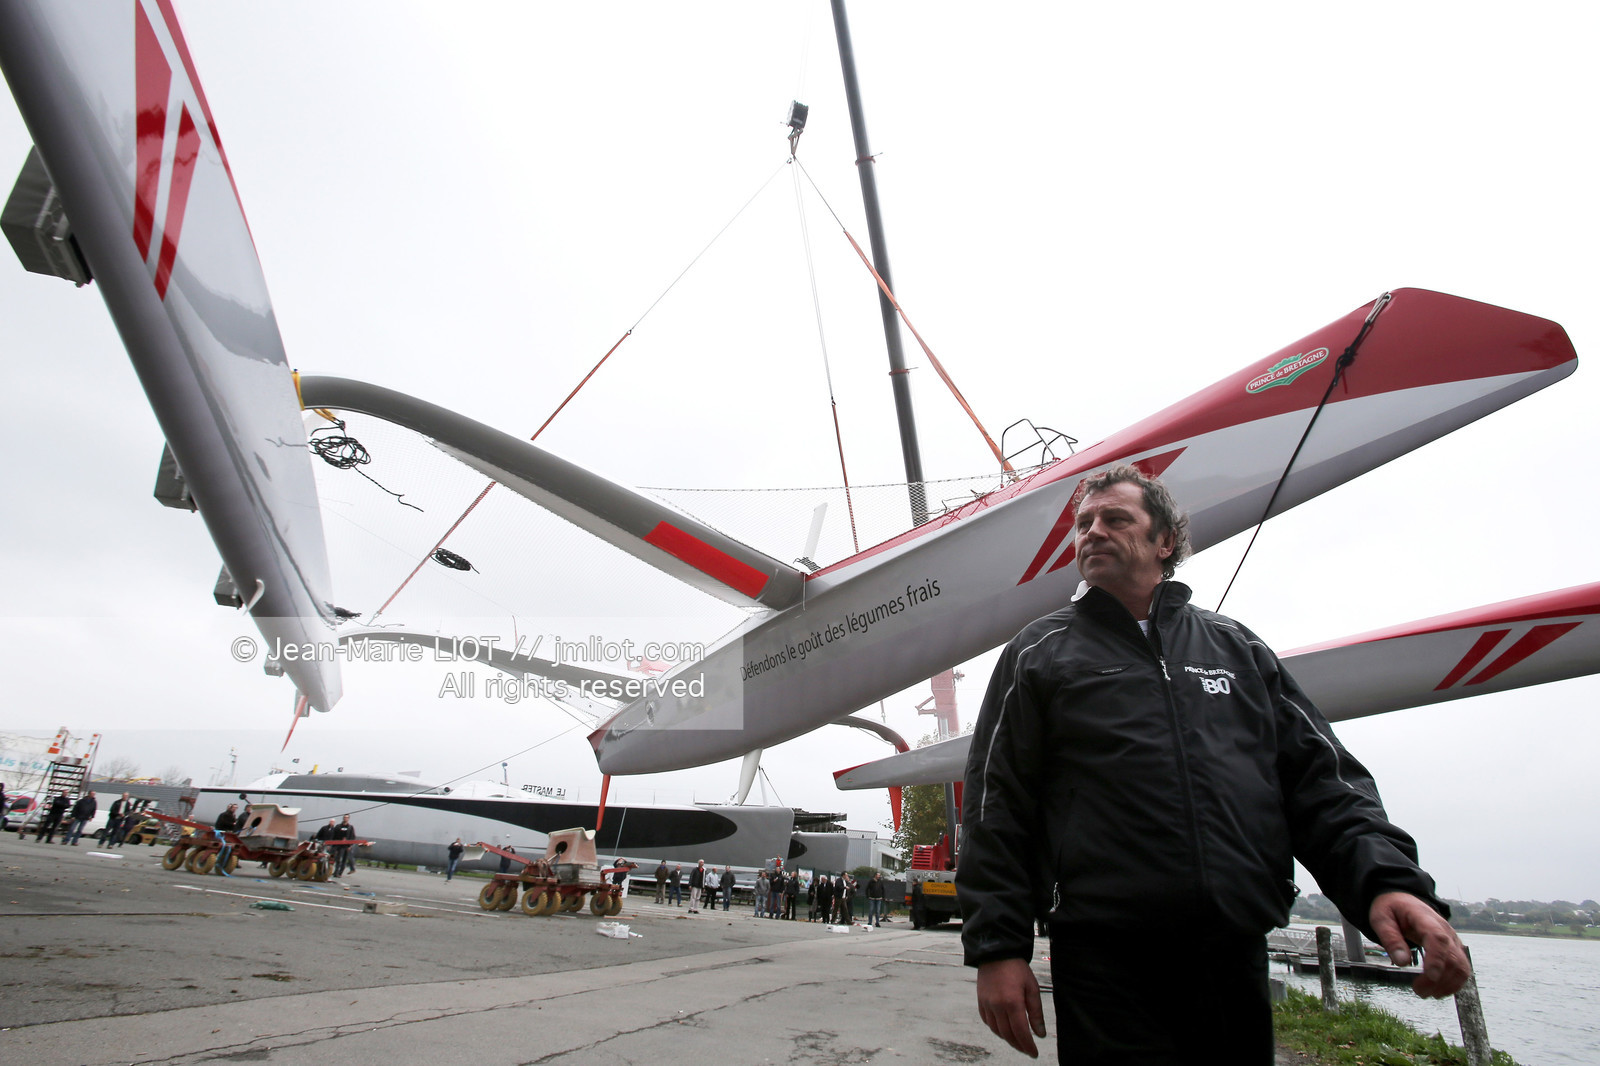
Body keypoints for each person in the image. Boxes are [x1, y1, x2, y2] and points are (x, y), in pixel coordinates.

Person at [958, 465, 1470, 1063]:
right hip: (1105, 965)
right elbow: (996, 805)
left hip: (1233, 958)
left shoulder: (1238, 650)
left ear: (1165, 541)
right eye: (1083, 524)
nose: (1091, 532)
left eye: (1115, 519)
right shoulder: (1039, 653)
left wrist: (1387, 883)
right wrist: (999, 947)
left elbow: (1322, 783)